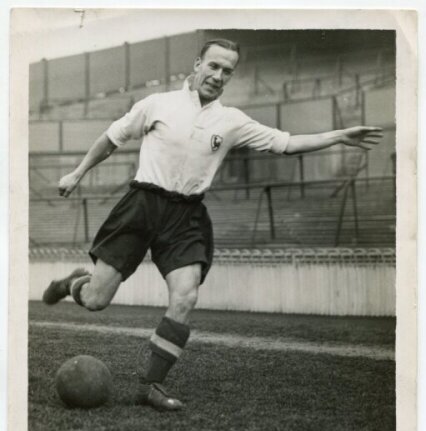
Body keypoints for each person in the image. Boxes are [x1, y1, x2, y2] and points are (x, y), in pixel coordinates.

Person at [42, 39, 383, 411]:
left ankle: (150, 384)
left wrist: (337, 136)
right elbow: (111, 139)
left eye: (227, 71)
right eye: (214, 66)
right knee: (95, 300)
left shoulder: (232, 121)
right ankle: (73, 282)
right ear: (197, 64)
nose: (219, 76)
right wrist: (76, 174)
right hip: (142, 205)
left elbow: (285, 143)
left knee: (186, 296)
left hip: (186, 215)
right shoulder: (158, 104)